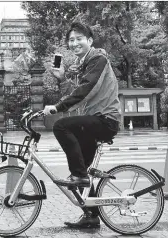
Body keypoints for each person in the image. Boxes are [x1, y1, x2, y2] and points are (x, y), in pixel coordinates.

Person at [43, 22, 121, 228]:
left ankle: (80, 176)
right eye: (71, 40)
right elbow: (76, 92)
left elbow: (87, 90)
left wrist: (57, 107)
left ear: (90, 41)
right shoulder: (82, 66)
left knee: (61, 126)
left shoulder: (98, 59)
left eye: (79, 39)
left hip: (105, 119)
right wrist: (61, 79)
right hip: (93, 120)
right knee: (78, 173)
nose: (75, 43)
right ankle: (91, 216)